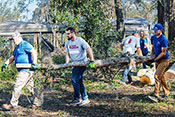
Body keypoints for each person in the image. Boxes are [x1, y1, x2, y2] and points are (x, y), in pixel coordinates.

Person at [1, 32, 42, 110]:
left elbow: (33, 51)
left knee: (17, 86)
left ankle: (13, 104)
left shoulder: (24, 44)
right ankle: (37, 102)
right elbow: (12, 57)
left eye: (13, 39)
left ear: (18, 37)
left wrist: (34, 63)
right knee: (31, 87)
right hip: (24, 70)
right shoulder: (17, 48)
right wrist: (5, 64)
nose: (13, 41)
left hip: (25, 70)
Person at [65, 27, 95, 106]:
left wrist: (92, 60)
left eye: (68, 34)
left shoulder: (80, 40)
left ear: (73, 33)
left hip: (82, 63)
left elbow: (88, 49)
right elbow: (67, 53)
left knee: (75, 80)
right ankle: (85, 98)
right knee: (79, 81)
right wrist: (67, 63)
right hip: (74, 64)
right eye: (66, 34)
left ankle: (77, 98)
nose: (67, 35)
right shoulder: (67, 43)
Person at [148, 23, 170, 102]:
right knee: (161, 76)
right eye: (154, 30)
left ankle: (156, 95)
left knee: (157, 76)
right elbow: (153, 47)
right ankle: (167, 92)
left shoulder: (163, 39)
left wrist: (155, 59)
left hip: (164, 60)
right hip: (157, 60)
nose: (154, 32)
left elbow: (163, 52)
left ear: (160, 30)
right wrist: (151, 56)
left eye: (156, 31)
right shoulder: (153, 37)